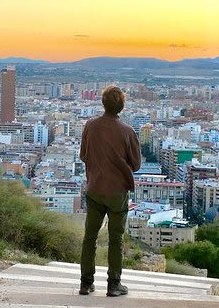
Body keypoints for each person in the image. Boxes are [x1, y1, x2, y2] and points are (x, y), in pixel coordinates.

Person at [78, 86, 141, 297]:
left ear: (103, 103)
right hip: (117, 192)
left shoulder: (90, 126)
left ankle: (86, 283)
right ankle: (114, 285)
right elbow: (137, 165)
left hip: (95, 188)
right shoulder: (127, 132)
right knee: (116, 239)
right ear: (121, 106)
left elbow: (83, 155)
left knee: (90, 237)